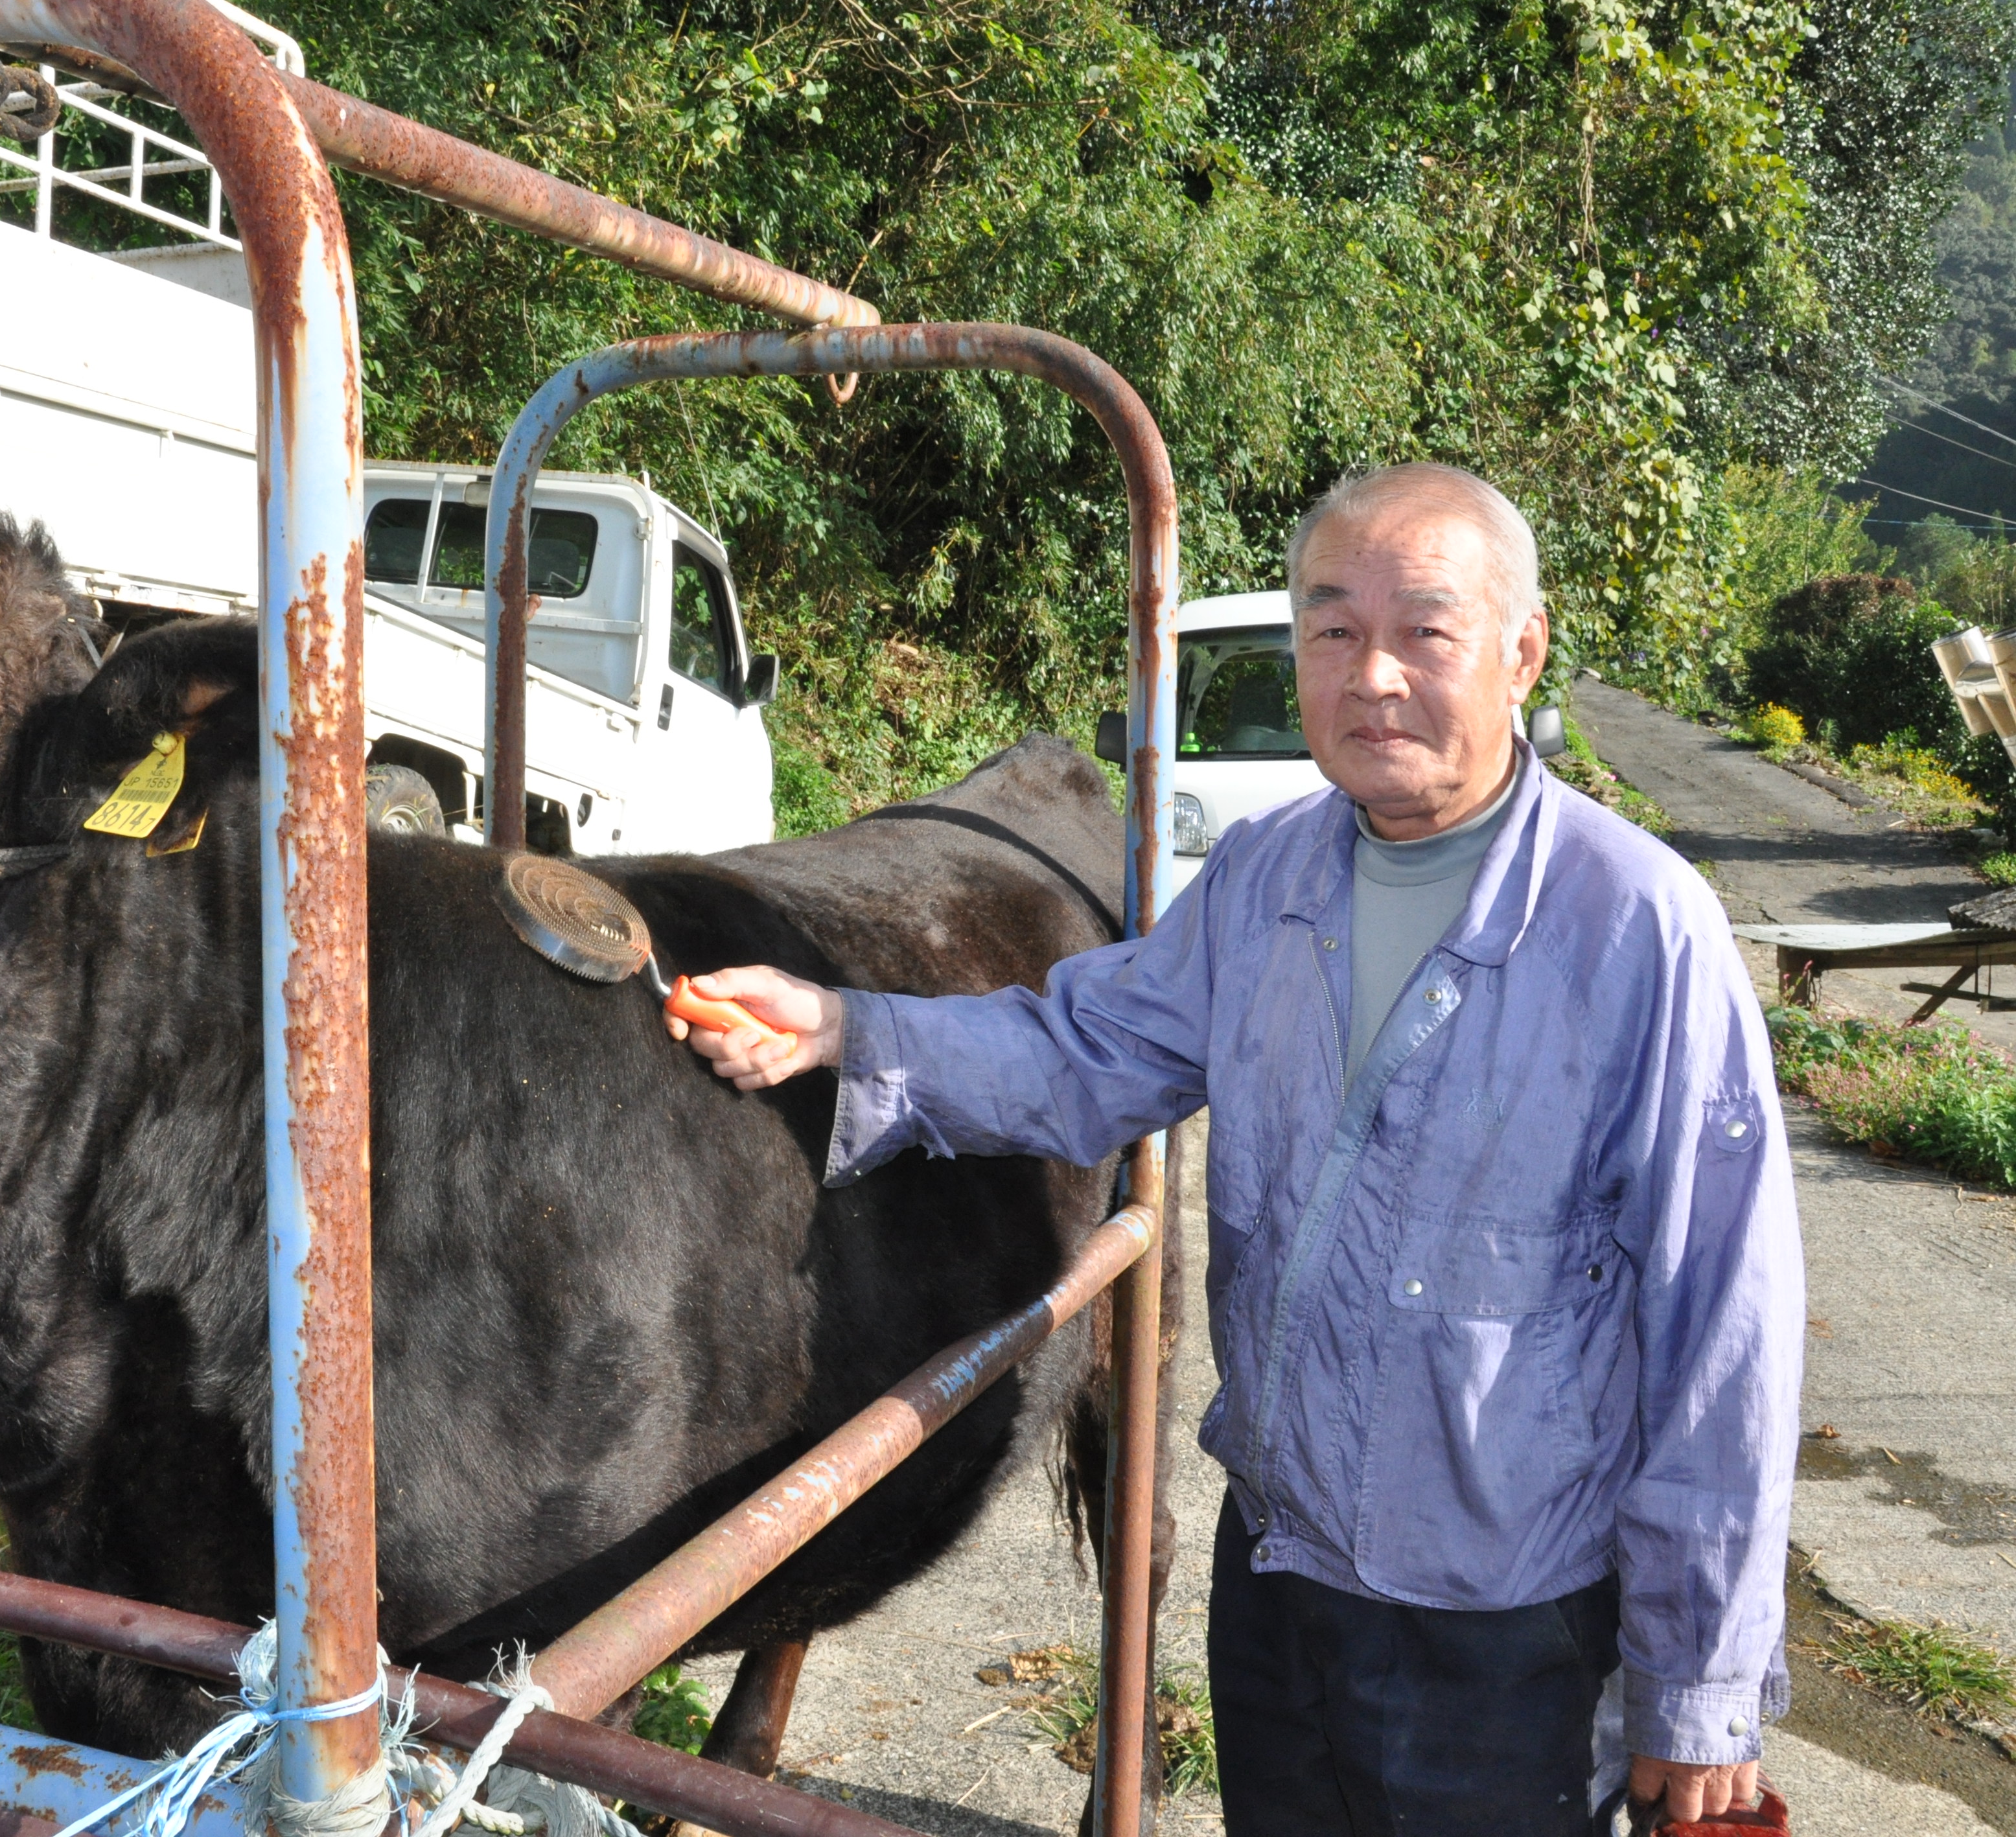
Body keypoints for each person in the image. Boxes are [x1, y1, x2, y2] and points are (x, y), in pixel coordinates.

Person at [669, 464, 1802, 1836]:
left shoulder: (1637, 928)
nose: (1369, 673)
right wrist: (844, 1026)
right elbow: (1086, 1049)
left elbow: (1721, 1336)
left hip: (1507, 1630)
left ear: (1522, 649)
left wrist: (1698, 1690)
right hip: (1277, 1579)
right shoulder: (1269, 879)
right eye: (1329, 630)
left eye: (1422, 631)